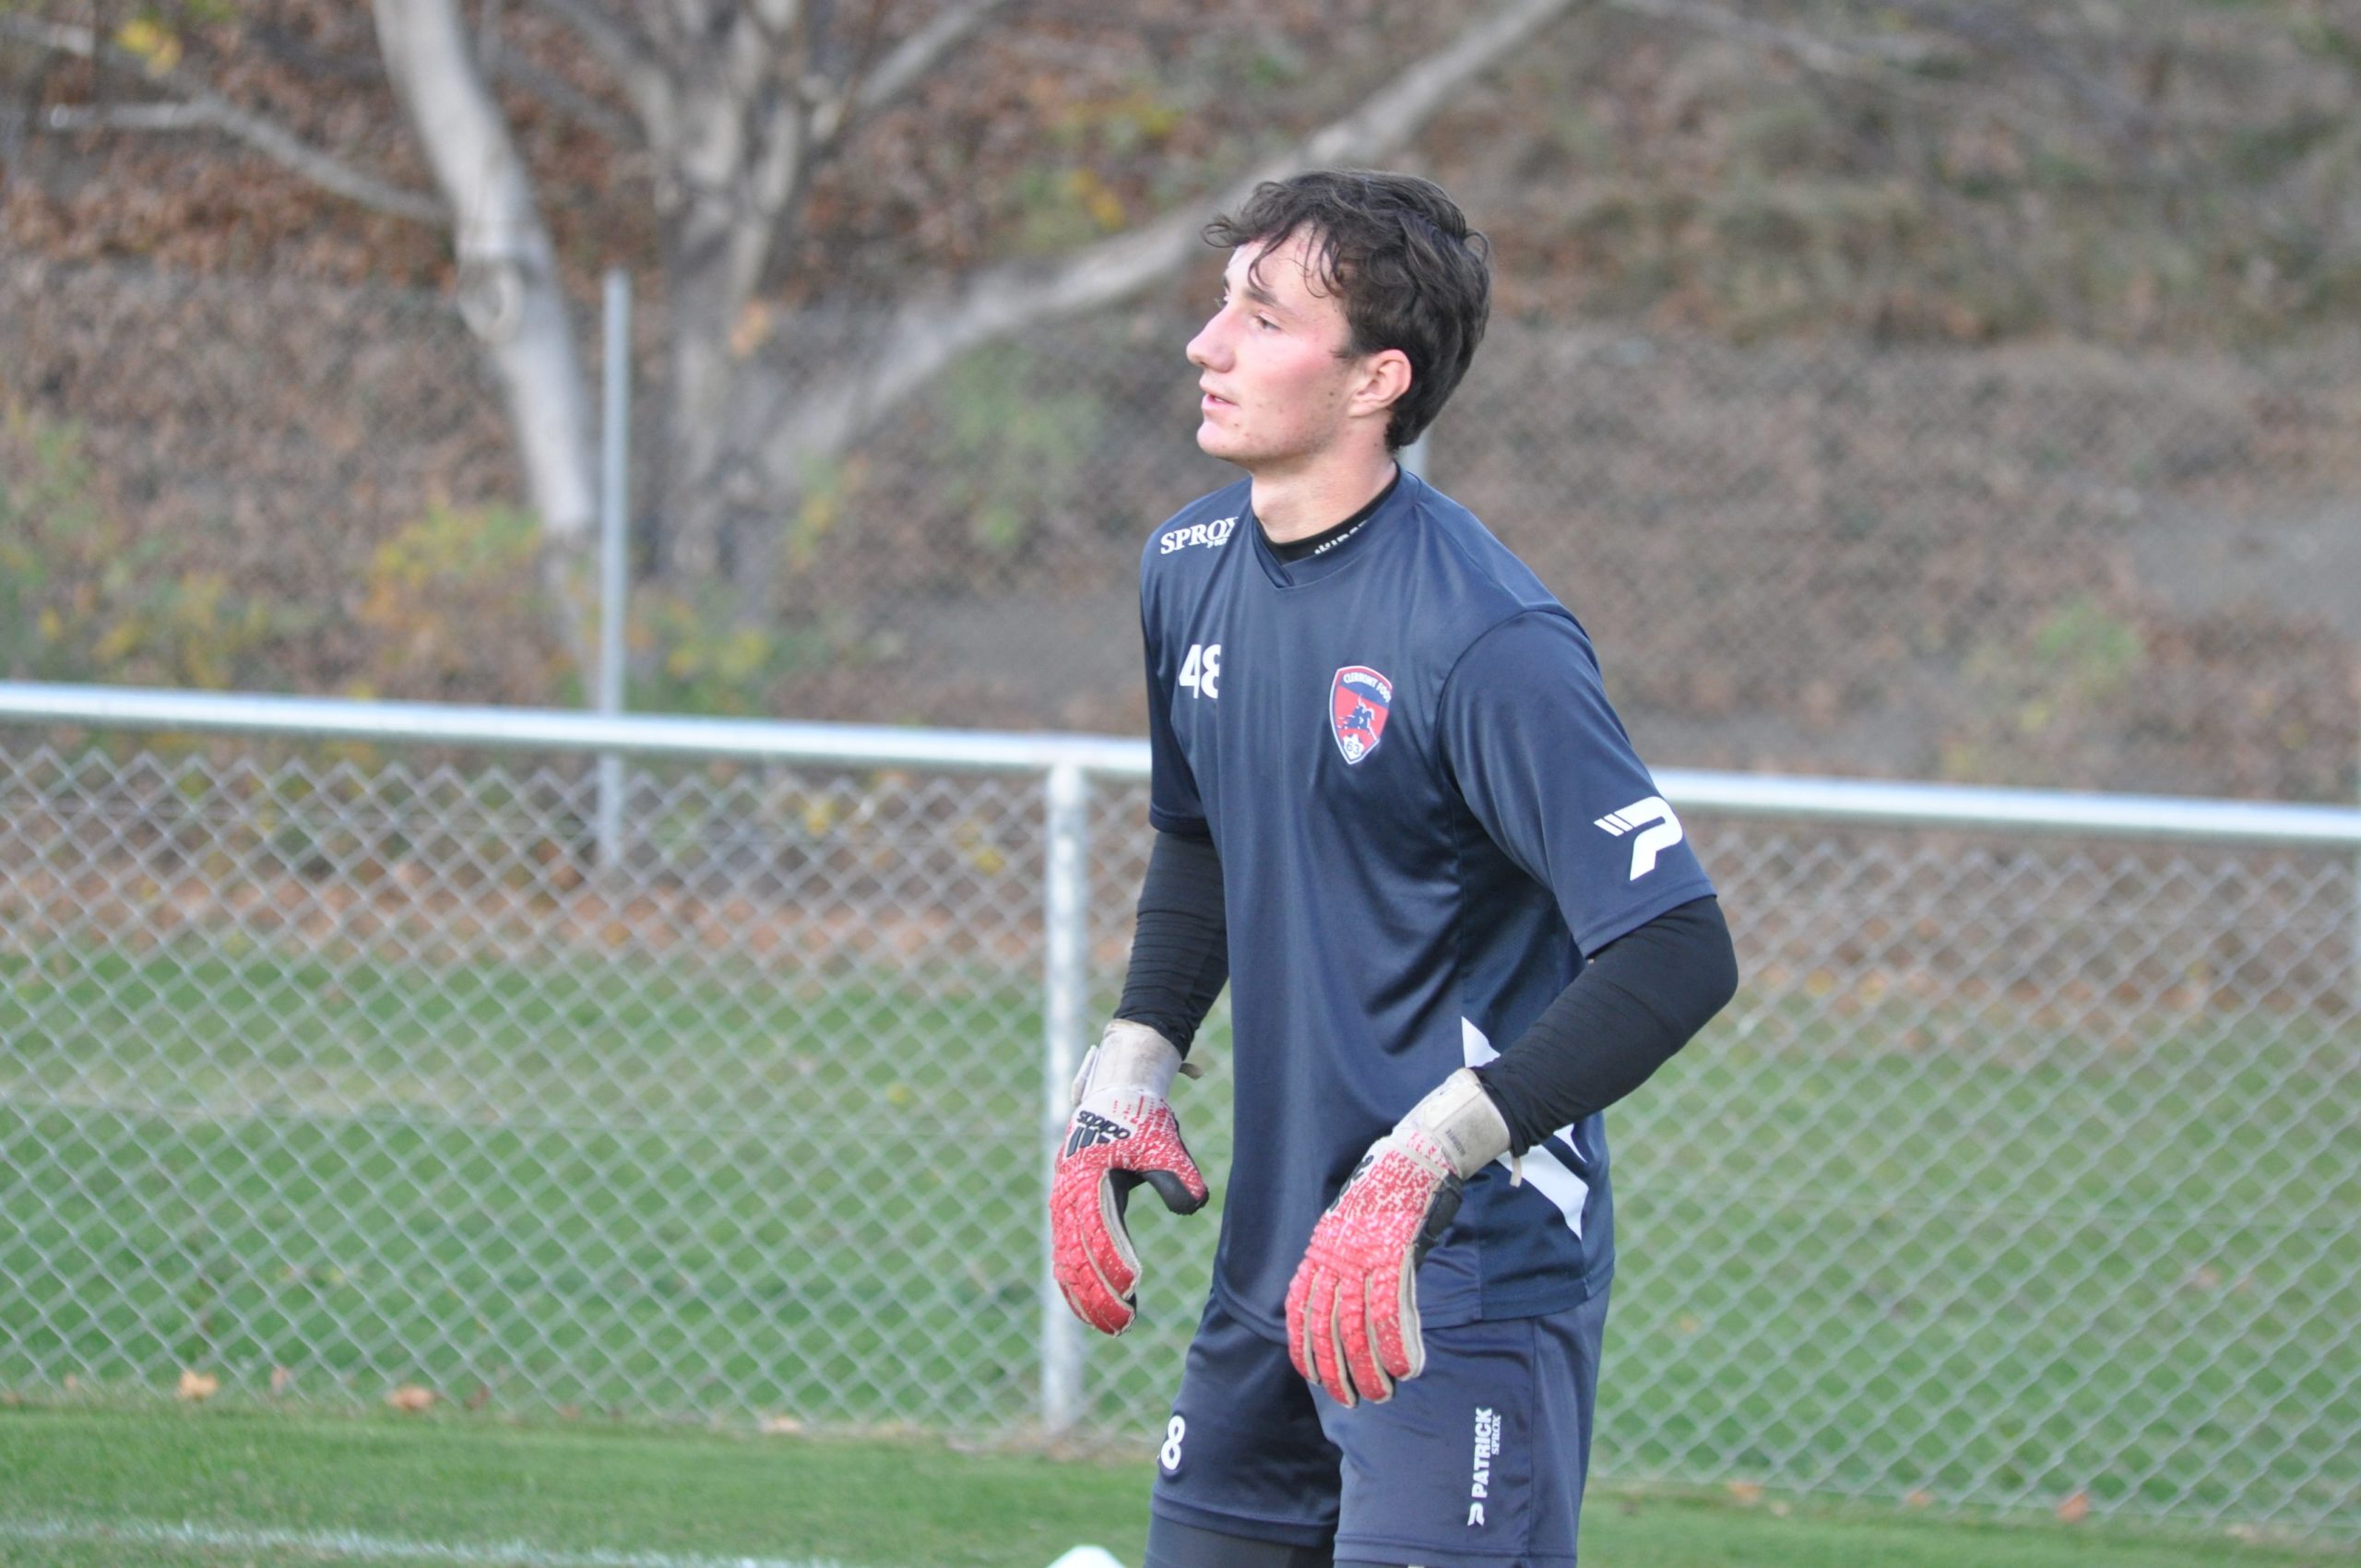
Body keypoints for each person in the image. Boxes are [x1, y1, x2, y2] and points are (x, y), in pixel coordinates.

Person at [1050, 169, 1739, 1568]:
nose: (1204, 343)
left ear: (1377, 379)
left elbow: (1678, 950)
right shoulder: (1186, 564)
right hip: (1270, 1263)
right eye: (1221, 303)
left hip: (1460, 1279)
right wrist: (1130, 1066)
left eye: (1262, 317)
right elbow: (1203, 838)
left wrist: (1428, 1157)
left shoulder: (1483, 637)